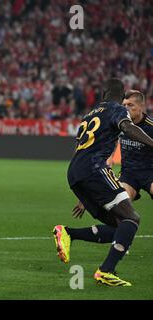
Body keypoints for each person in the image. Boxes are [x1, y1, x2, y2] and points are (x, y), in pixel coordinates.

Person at [52, 78, 153, 286]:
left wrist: (86, 190)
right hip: (95, 169)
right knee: (132, 218)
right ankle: (106, 271)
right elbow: (127, 128)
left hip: (75, 173)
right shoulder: (117, 109)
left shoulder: (89, 114)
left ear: (103, 94)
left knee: (122, 227)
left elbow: (80, 146)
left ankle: (68, 233)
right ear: (120, 95)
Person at [119, 90, 153, 201]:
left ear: (141, 106)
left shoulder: (151, 126)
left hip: (149, 171)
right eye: (124, 105)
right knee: (121, 202)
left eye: (130, 105)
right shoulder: (120, 124)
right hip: (128, 173)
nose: (126, 108)